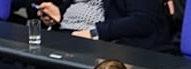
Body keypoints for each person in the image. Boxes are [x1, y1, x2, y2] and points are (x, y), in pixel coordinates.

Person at [35, 0, 172, 50]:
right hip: (66, 33)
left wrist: (96, 33)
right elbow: (84, 5)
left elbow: (143, 21)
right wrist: (60, 14)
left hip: (104, 44)